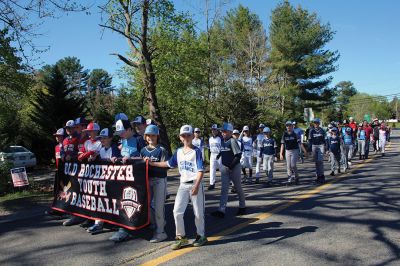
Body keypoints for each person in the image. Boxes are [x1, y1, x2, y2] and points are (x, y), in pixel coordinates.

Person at [149, 125, 208, 250]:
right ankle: (181, 238)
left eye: (188, 135)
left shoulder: (196, 151)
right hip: (183, 185)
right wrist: (152, 163)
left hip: (194, 184)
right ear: (180, 137)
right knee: (177, 212)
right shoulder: (179, 151)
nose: (186, 137)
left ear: (192, 136)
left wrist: (197, 186)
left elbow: (201, 170)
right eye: (183, 135)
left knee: (198, 213)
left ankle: (201, 235)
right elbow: (169, 163)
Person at [109, 119, 142, 242]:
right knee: (123, 202)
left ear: (129, 129)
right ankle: (124, 229)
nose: (121, 134)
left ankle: (144, 225)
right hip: (124, 176)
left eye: (122, 131)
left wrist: (132, 158)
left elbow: (145, 156)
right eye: (119, 132)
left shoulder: (139, 139)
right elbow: (121, 154)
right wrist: (115, 157)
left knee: (135, 204)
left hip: (137, 178)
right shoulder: (122, 140)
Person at [87, 128, 120, 234]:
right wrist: (93, 159)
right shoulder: (100, 149)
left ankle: (116, 222)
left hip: (113, 180)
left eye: (105, 138)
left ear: (110, 138)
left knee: (114, 201)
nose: (102, 140)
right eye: (101, 138)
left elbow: (118, 162)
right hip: (102, 179)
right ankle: (98, 223)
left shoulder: (114, 148)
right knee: (99, 200)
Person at [141, 125, 169, 243]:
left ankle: (161, 232)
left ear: (157, 136)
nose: (151, 137)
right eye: (148, 135)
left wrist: (151, 164)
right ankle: (157, 223)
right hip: (147, 180)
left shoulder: (162, 149)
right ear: (145, 137)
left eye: (153, 135)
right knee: (146, 205)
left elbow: (165, 166)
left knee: (158, 206)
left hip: (159, 180)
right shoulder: (143, 150)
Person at [211, 122, 246, 218]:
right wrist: (218, 155)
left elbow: (238, 155)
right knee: (224, 189)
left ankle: (242, 207)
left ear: (230, 132)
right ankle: (221, 210)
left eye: (225, 131)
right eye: (222, 131)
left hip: (234, 167)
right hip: (225, 168)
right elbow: (223, 151)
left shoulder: (232, 141)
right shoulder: (222, 141)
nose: (223, 133)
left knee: (238, 187)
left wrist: (231, 167)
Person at [62, 120, 85, 226]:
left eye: (70, 128)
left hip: (78, 169)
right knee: (70, 191)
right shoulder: (65, 140)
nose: (68, 130)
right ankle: (72, 213)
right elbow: (62, 150)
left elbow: (81, 152)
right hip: (68, 170)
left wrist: (73, 156)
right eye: (67, 128)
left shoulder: (79, 138)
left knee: (79, 190)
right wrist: (63, 155)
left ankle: (79, 215)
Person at [280, 121, 307, 185]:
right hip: (288, 151)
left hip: (295, 150)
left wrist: (304, 151)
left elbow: (300, 143)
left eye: (290, 125)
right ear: (286, 127)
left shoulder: (295, 134)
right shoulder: (284, 134)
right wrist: (281, 153)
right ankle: (289, 179)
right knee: (288, 165)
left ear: (292, 126)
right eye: (287, 126)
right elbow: (282, 144)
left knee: (293, 165)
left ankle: (296, 177)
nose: (288, 127)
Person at [308, 118, 326, 184]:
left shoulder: (322, 130)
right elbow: (309, 140)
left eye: (317, 123)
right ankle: (318, 176)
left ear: (319, 123)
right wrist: (309, 149)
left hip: (321, 145)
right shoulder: (311, 131)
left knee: (320, 161)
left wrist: (326, 148)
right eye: (315, 123)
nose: (316, 124)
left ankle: (322, 176)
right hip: (314, 146)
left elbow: (325, 139)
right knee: (316, 162)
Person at [207, 124, 222, 190]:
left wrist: (220, 155)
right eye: (212, 130)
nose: (213, 131)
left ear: (217, 131)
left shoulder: (220, 138)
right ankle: (212, 183)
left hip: (219, 155)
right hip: (212, 155)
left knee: (222, 169)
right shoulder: (210, 139)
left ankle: (226, 181)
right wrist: (209, 155)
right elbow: (209, 148)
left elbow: (222, 148)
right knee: (212, 169)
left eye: (215, 130)